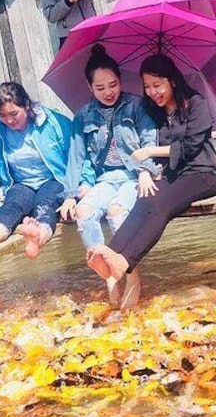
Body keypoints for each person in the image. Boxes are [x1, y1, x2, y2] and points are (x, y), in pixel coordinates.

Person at [87, 54, 216, 306]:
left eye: (157, 85)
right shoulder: (154, 111)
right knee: (145, 198)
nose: (152, 92)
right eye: (147, 87)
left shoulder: (196, 103)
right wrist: (146, 171)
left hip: (203, 174)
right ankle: (110, 255)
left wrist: (151, 152)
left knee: (160, 205)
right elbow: (147, 141)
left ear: (171, 81)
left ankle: (125, 261)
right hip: (173, 174)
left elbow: (191, 146)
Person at [59, 45, 159, 310]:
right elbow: (76, 157)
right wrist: (70, 195)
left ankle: (131, 275)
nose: (108, 92)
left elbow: (149, 138)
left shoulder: (136, 105)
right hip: (105, 179)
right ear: (89, 87)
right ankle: (108, 275)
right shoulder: (83, 115)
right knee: (83, 211)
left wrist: (146, 171)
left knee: (116, 211)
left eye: (113, 85)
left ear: (120, 80)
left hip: (131, 176)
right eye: (100, 88)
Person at [0, 82, 72, 259]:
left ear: (27, 105)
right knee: (11, 206)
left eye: (14, 114)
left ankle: (37, 237)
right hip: (20, 183)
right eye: (3, 116)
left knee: (44, 205)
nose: (9, 120)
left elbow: (76, 157)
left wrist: (73, 193)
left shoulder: (54, 122)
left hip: (54, 180)